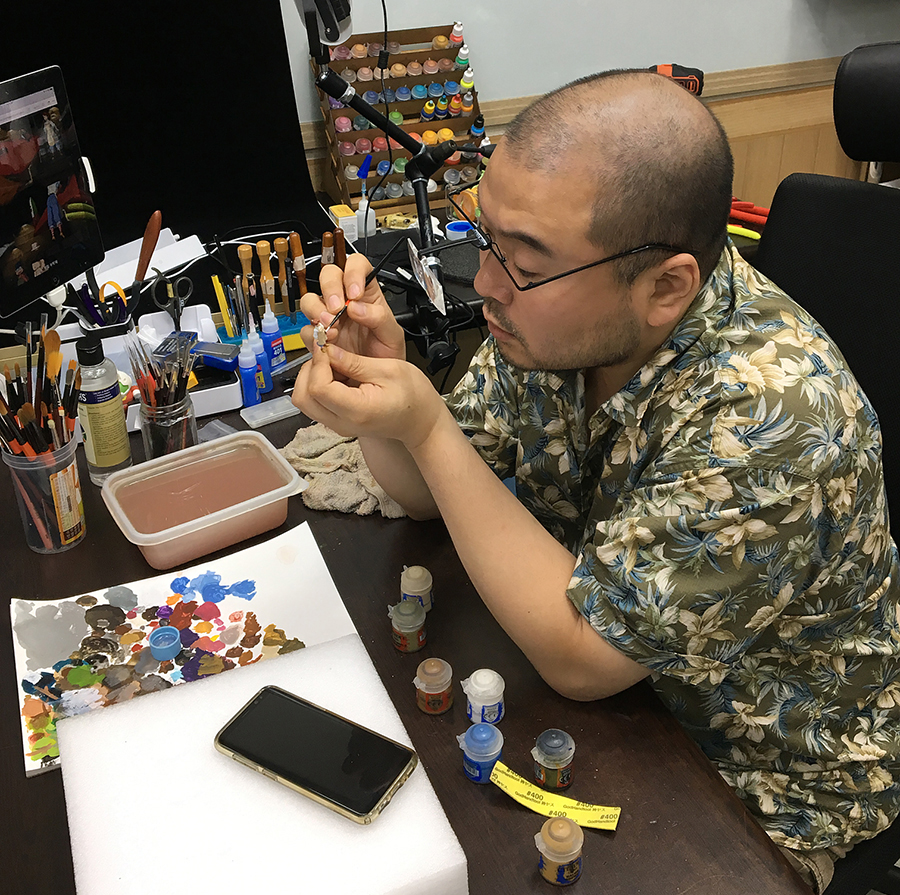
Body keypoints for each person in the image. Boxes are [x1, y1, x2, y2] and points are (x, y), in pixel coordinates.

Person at [292, 70, 900, 892]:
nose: (486, 283)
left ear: (665, 287)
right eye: (488, 239)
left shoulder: (775, 412)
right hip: (627, 703)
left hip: (757, 781)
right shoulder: (555, 320)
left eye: (523, 262)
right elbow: (433, 489)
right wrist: (384, 393)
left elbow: (583, 657)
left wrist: (426, 425)